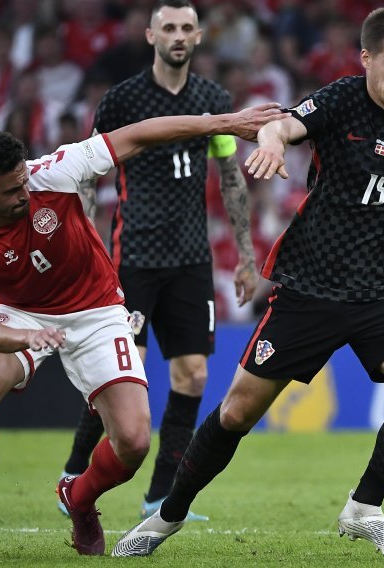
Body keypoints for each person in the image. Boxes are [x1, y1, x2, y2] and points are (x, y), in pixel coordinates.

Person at [111, 7, 384, 560]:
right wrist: (272, 142)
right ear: (367, 58)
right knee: (234, 415)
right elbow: (284, 122)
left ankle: (363, 507)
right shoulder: (341, 100)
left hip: (382, 291)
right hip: (310, 289)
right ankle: (166, 518)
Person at [0, 101, 283, 558]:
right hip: (20, 314)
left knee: (133, 442)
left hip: (95, 309)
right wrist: (27, 338)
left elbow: (141, 134)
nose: (24, 194)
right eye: (10, 191)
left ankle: (80, 498)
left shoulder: (53, 172)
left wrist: (222, 124)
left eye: (23, 181)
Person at [55, 0, 259, 523]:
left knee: (191, 375)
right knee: (123, 375)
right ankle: (74, 473)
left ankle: (161, 497)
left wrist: (246, 255)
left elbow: (230, 176)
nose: (178, 35)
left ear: (198, 36)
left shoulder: (213, 101)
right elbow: (85, 178)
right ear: (150, 35)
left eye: (187, 27)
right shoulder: (123, 102)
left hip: (191, 259)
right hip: (133, 258)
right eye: (168, 27)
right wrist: (83, 245)